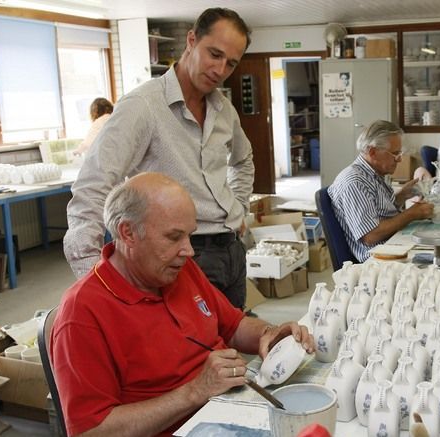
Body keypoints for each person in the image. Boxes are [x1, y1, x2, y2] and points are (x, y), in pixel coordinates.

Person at [51, 172, 314, 437]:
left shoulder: (177, 269)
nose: (188, 250)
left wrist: (268, 333)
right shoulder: (82, 314)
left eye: (189, 235)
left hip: (227, 409)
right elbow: (91, 431)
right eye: (174, 237)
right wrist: (195, 391)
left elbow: (232, 326)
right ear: (127, 233)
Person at [64, 8, 255, 310]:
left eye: (230, 63)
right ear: (191, 40)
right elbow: (91, 188)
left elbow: (243, 160)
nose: (220, 70)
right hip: (182, 256)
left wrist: (239, 207)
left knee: (231, 349)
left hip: (231, 249)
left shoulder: (223, 109)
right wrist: (94, 278)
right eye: (214, 54)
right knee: (189, 354)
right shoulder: (142, 107)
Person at [327, 120, 434, 262]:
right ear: (372, 152)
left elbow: (379, 210)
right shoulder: (354, 182)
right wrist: (412, 213)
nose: (400, 159)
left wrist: (402, 195)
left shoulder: (374, 173)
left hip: (393, 243)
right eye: (395, 153)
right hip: (378, 258)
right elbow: (370, 235)